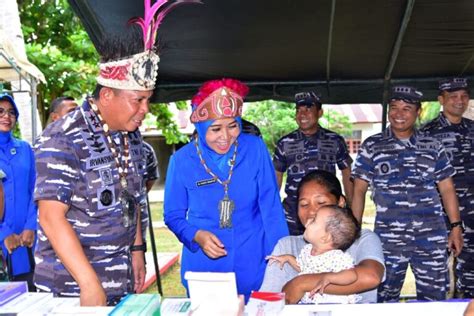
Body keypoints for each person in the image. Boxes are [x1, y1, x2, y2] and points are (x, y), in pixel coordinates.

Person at [32, 1, 193, 305]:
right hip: (72, 288)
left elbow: (131, 198)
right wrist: (89, 283)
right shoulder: (63, 137)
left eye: (148, 100)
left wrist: (136, 249)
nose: (145, 110)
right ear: (107, 95)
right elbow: (51, 218)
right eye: (138, 100)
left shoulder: (129, 135)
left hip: (119, 281)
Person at [164, 78, 289, 300]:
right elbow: (173, 215)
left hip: (254, 260)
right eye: (215, 129)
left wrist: (282, 253)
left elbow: (270, 207)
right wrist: (196, 235)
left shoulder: (254, 148)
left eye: (233, 126)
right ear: (200, 127)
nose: (225, 137)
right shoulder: (181, 160)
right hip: (205, 267)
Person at [351, 86, 464, 302]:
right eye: (394, 108)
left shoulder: (433, 145)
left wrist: (456, 227)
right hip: (388, 239)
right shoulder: (373, 146)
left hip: (430, 237)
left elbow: (447, 188)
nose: (399, 114)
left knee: (434, 301)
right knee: (382, 299)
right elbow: (359, 191)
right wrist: (354, 232)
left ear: (418, 112)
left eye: (406, 109)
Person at [259, 170, 385, 304]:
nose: (312, 211)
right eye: (304, 204)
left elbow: (371, 277)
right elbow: (268, 302)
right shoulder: (287, 246)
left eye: (321, 203)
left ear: (341, 202)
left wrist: (302, 283)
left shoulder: (363, 240)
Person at [421, 78, 474, 298]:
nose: (459, 101)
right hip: (439, 215)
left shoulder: (472, 129)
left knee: (471, 274)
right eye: (453, 96)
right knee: (435, 277)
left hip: (472, 214)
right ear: (441, 99)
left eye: (463, 96)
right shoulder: (426, 134)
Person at [273, 91, 353, 235]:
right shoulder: (285, 143)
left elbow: (347, 172)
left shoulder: (334, 140)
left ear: (320, 112)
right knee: (291, 253)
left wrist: (350, 206)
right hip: (293, 216)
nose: (302, 115)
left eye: (308, 109)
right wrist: (272, 208)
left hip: (327, 215)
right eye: (298, 110)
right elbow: (276, 176)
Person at [266, 204, 361, 304]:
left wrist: (330, 277)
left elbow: (352, 275)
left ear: (325, 238)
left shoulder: (335, 257)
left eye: (314, 220)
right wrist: (288, 258)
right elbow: (303, 267)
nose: (308, 221)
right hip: (311, 303)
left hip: (333, 304)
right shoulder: (308, 250)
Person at [0, 94, 37, 291]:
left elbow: (35, 189)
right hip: (3, 239)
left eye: (12, 112)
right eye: (1, 111)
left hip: (25, 238)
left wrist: (31, 226)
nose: (7, 116)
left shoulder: (25, 149)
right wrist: (4, 233)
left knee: (27, 293)